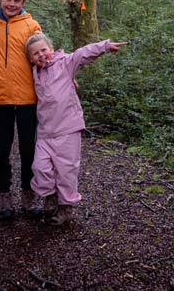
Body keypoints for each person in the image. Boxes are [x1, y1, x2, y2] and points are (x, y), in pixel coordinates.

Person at [25, 31, 127, 225]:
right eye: (35, 54)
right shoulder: (35, 72)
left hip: (68, 128)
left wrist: (104, 46)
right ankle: (50, 196)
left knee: (66, 170)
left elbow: (82, 53)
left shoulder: (65, 64)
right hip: (46, 131)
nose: (41, 55)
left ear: (52, 50)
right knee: (40, 167)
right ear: (30, 59)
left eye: (43, 50)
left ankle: (65, 208)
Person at [0, 0, 43, 219]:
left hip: (28, 98)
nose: (11, 3)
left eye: (16, 0)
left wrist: (66, 76)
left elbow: (43, 56)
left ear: (23, 2)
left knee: (29, 150)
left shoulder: (31, 26)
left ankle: (28, 196)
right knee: (1, 149)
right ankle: (3, 196)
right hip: (1, 98)